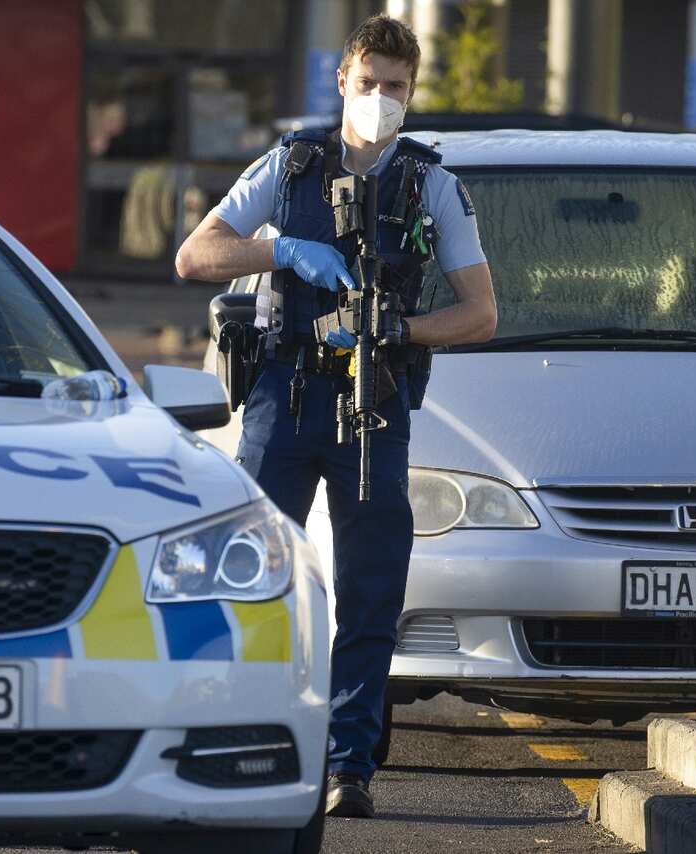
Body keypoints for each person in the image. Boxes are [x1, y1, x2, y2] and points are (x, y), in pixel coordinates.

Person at [175, 13, 497, 818]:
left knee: (369, 588)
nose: (380, 99)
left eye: (396, 88)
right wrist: (281, 251)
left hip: (374, 401)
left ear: (412, 95)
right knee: (248, 573)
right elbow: (196, 255)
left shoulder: (433, 184)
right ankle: (233, 738)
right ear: (342, 83)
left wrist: (401, 329)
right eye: (368, 85)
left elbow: (481, 313)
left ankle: (348, 764)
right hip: (284, 395)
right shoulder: (290, 166)